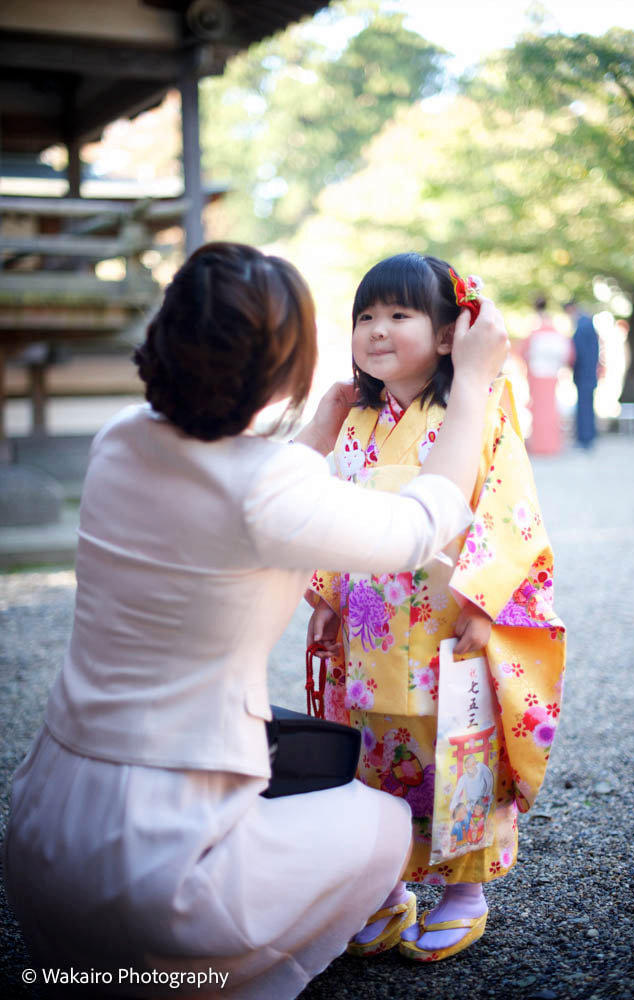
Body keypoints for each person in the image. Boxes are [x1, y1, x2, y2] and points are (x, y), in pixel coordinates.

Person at [3, 242, 509, 999]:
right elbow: (414, 527)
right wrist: (473, 384)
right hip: (159, 881)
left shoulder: (117, 442)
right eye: (360, 318)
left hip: (43, 839)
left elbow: (257, 490)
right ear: (293, 364)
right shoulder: (270, 488)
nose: (376, 331)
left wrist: (316, 429)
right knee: (383, 825)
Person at [307, 253, 566, 964]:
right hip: (370, 626)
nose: (377, 330)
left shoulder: (473, 409)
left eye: (399, 315)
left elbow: (509, 507)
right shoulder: (357, 422)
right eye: (365, 317)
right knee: (374, 758)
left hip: (446, 620)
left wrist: (489, 601)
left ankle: (463, 894)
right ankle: (384, 889)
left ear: (450, 335)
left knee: (454, 751)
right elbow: (331, 511)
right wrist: (328, 593)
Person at [519, 295, 573, 454]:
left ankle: (540, 444)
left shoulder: (534, 327)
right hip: (552, 371)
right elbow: (567, 351)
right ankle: (552, 443)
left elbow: (524, 350)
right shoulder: (554, 326)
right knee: (551, 406)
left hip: (537, 370)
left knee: (538, 407)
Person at [564, 300, 600, 448]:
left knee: (585, 406)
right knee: (586, 405)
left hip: (584, 372)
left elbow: (580, 351)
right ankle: (586, 437)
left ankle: (585, 438)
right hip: (587, 372)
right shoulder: (586, 323)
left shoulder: (583, 325)